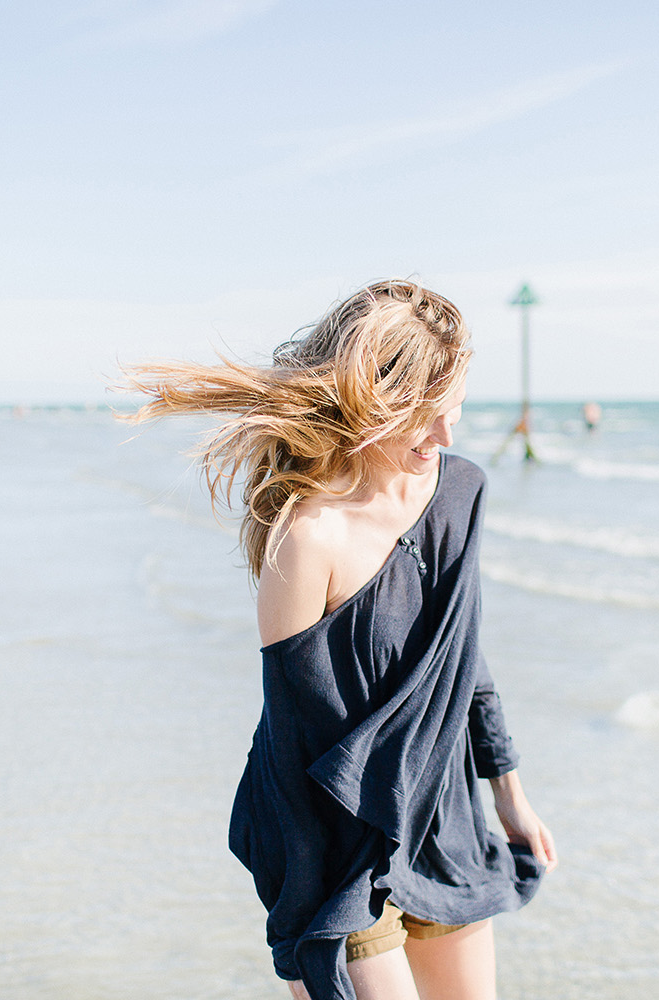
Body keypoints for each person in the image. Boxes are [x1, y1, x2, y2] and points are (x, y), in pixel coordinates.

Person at [119, 280, 557, 1000]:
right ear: (368, 402)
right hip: (331, 840)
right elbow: (292, 742)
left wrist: (508, 790)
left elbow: (462, 656)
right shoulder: (306, 537)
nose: (444, 437)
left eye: (454, 413)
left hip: (442, 815)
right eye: (422, 417)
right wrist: (307, 924)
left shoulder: (460, 491)